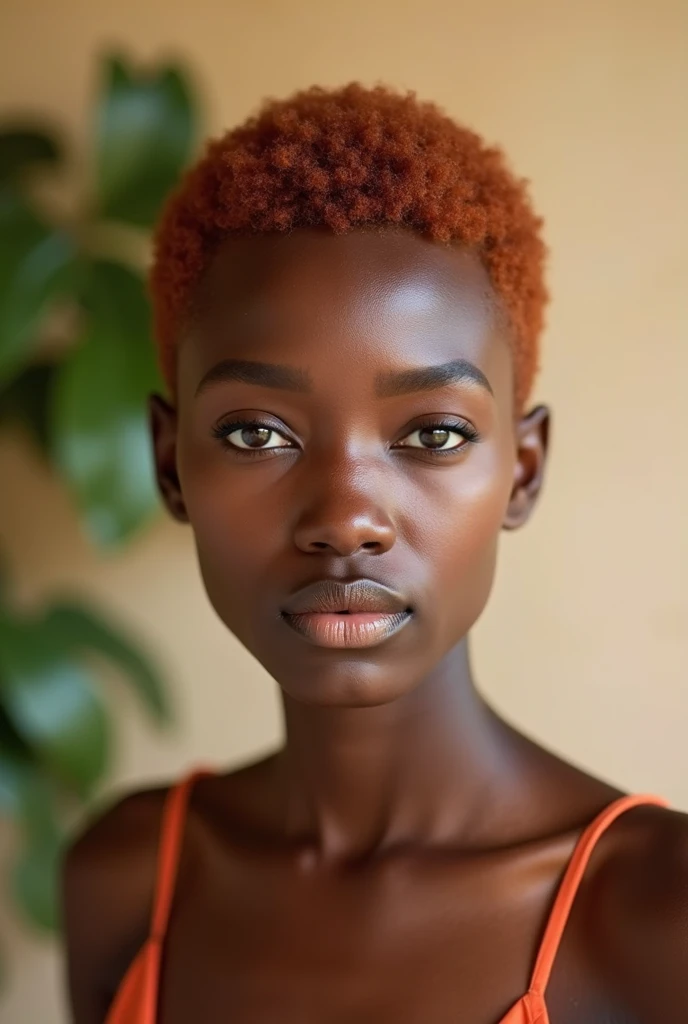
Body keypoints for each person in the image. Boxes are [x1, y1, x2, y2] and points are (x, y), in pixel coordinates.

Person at [62, 83, 688, 1024]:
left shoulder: (656, 921)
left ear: (521, 472)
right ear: (169, 464)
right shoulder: (124, 881)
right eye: (256, 434)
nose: (347, 517)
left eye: (432, 435)